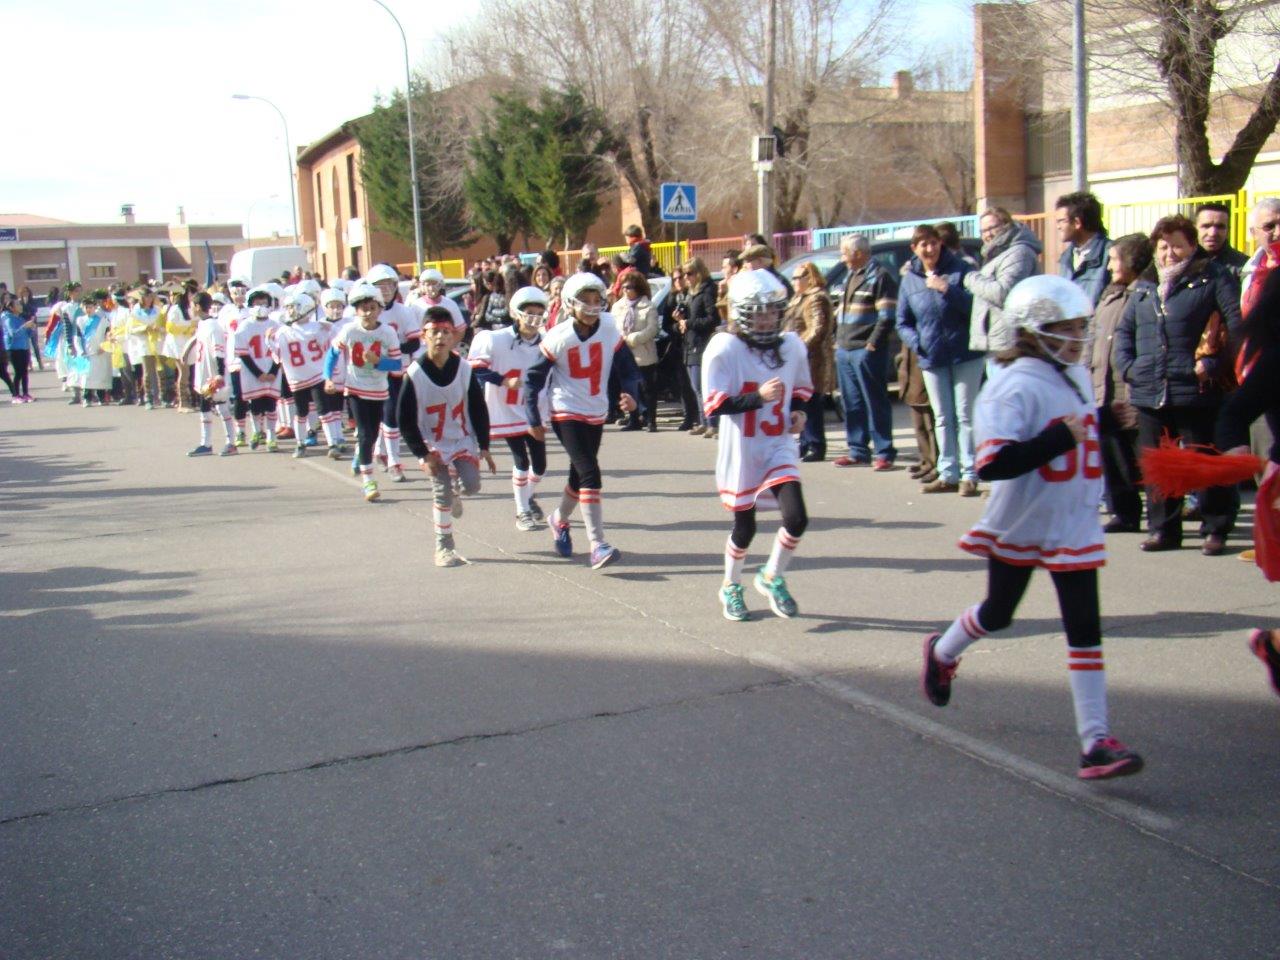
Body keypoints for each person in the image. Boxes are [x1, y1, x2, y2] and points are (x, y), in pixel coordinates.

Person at [921, 275, 1144, 781]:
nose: (1078, 337)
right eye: (1067, 328)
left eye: (1081, 327)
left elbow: (1079, 423)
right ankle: (941, 650)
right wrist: (1057, 438)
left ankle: (1095, 741)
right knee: (999, 613)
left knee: (1085, 627)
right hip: (1025, 516)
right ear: (1035, 331)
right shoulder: (1012, 384)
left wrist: (1106, 420)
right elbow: (993, 464)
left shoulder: (1073, 374)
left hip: (1073, 519)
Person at [1114, 214, 1243, 555]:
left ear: (1191, 247)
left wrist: (1213, 364)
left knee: (1205, 461)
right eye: (1163, 246)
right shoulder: (1144, 285)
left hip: (1197, 388)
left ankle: (1216, 528)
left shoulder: (1212, 278)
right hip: (1150, 389)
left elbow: (1237, 327)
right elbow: (1125, 332)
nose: (1169, 253)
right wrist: (1129, 367)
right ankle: (1164, 530)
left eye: (1177, 245)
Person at [702, 268, 814, 621]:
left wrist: (798, 412)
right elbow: (716, 405)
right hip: (744, 449)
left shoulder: (791, 345)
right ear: (741, 313)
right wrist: (757, 397)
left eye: (771, 312)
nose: (766, 320)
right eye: (759, 312)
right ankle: (730, 585)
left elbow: (801, 391)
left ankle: (771, 575)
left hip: (778, 443)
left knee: (796, 517)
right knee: (745, 527)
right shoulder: (725, 347)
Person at [523, 271, 644, 570]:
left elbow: (628, 368)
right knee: (591, 473)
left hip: (596, 409)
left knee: (579, 476)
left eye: (596, 300)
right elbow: (533, 379)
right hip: (566, 410)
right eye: (585, 301)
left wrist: (631, 395)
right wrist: (532, 416)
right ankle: (597, 543)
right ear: (569, 303)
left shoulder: (609, 328)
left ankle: (559, 519)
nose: (592, 307)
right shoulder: (558, 335)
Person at [400, 308, 496, 567]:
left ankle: (458, 493)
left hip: (461, 438)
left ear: (454, 336)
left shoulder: (464, 370)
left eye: (446, 332)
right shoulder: (415, 374)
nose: (441, 337)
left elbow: (478, 407)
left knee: (473, 485)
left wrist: (484, 446)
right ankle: (444, 547)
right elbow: (405, 419)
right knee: (440, 493)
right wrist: (422, 453)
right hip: (433, 441)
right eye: (435, 332)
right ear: (424, 336)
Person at [896, 224, 983, 495]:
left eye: (934, 243)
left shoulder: (961, 270)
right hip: (932, 357)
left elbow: (976, 308)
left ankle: (970, 474)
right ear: (915, 249)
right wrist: (917, 343)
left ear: (941, 245)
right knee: (943, 417)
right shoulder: (910, 279)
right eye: (924, 245)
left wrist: (948, 289)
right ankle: (948, 473)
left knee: (965, 415)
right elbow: (902, 321)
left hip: (965, 353)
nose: (930, 249)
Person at [470, 286, 552, 531]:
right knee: (522, 461)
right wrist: (504, 380)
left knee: (540, 466)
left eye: (539, 313)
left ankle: (527, 495)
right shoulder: (495, 338)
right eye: (529, 312)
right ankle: (522, 511)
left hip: (533, 410)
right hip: (506, 408)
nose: (534, 318)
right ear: (516, 313)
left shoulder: (547, 342)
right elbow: (476, 369)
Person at [1089, 234, 1152, 534]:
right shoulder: (1110, 294)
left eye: (1115, 259)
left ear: (1133, 261)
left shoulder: (1144, 294)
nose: (1111, 265)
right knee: (1114, 457)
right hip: (1103, 386)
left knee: (1141, 457)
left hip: (1130, 388)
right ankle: (1124, 512)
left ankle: (1160, 515)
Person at [323, 280, 403, 503]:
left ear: (379, 308)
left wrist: (379, 362)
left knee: (373, 433)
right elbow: (332, 354)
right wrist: (329, 378)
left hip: (379, 390)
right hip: (355, 389)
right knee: (366, 434)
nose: (367, 313)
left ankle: (361, 455)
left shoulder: (388, 333)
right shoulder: (349, 330)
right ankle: (369, 481)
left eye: (372, 308)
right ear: (356, 310)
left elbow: (397, 366)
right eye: (363, 308)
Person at [832, 234, 898, 468]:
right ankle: (858, 449)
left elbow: (887, 316)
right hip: (845, 347)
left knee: (875, 400)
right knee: (852, 402)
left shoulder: (879, 276)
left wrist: (872, 344)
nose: (843, 258)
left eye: (844, 252)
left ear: (858, 253)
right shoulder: (850, 275)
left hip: (865, 349)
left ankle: (884, 451)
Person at [965, 207, 1042, 364]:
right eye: (983, 231)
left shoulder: (1018, 253)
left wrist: (971, 278)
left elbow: (1003, 294)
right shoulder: (997, 253)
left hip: (1012, 343)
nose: (987, 234)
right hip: (999, 342)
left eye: (992, 228)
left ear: (1006, 224)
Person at [365, 262, 419, 483]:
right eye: (380, 286)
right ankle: (379, 451)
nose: (385, 290)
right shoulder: (364, 314)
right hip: (371, 371)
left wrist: (394, 353)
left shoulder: (403, 311)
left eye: (389, 285)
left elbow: (414, 342)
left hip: (395, 369)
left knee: (392, 416)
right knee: (378, 417)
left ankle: (394, 460)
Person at [785, 260, 834, 461]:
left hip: (811, 359)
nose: (795, 281)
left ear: (810, 278)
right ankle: (804, 443)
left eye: (799, 277)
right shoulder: (798, 298)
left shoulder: (816, 298)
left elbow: (817, 329)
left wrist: (799, 348)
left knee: (812, 402)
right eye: (793, 277)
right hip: (797, 358)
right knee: (802, 402)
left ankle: (816, 444)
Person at [182, 292, 238, 457]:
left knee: (222, 407)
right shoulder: (202, 324)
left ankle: (231, 442)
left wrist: (220, 374)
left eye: (192, 305)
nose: (190, 308)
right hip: (203, 373)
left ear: (198, 306)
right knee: (204, 407)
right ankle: (206, 443)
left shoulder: (213, 326)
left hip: (213, 374)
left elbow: (218, 351)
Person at [275, 292, 328, 459]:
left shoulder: (319, 327)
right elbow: (277, 354)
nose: (290, 311)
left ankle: (333, 441)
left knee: (323, 410)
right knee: (300, 411)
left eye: (293, 307)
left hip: (316, 374)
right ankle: (300, 442)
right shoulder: (283, 331)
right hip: (297, 377)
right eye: (288, 307)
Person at [234, 286, 283, 451]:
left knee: (271, 404)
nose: (261, 306)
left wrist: (273, 372)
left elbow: (281, 350)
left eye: (264, 302)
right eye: (257, 303)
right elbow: (243, 353)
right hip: (252, 372)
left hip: (272, 369)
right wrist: (259, 373)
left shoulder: (275, 325)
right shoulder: (245, 326)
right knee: (256, 405)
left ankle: (271, 436)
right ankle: (256, 431)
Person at [613, 272, 660, 431]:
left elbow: (653, 329)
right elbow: (613, 327)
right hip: (624, 354)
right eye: (624, 287)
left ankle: (650, 420)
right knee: (629, 389)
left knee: (647, 389)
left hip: (644, 353)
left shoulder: (648, 306)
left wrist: (633, 338)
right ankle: (634, 419)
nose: (626, 290)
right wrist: (621, 338)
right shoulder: (618, 306)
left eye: (630, 287)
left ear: (638, 288)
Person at [679, 258, 720, 437]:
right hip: (690, 342)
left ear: (699, 273)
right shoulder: (691, 293)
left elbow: (713, 319)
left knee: (703, 386)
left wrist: (689, 322)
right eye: (684, 274)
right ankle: (703, 421)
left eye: (689, 274)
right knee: (695, 387)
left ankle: (713, 423)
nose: (686, 278)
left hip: (702, 343)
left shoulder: (707, 290)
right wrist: (681, 320)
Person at [1055, 191, 1113, 306]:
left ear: (1077, 222)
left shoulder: (1110, 254)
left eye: (1061, 221)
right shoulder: (1066, 259)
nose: (1058, 227)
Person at [315, 287, 350, 456]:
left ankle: (339, 437)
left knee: (337, 407)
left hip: (343, 370)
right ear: (324, 307)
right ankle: (332, 441)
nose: (336, 310)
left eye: (339, 306)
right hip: (324, 372)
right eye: (332, 306)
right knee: (325, 407)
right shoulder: (319, 326)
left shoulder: (349, 324)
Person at [75, 289, 114, 405]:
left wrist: (105, 347)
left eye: (90, 307)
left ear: (94, 307)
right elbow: (77, 337)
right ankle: (87, 398)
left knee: (100, 375)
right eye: (86, 307)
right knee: (87, 376)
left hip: (100, 351)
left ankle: (102, 397)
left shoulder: (102, 320)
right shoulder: (80, 321)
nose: (88, 310)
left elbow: (108, 334)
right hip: (87, 352)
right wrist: (80, 350)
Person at [1196, 202, 1249, 283]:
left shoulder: (1244, 266)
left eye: (1220, 227)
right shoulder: (1181, 262)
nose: (1212, 233)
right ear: (1195, 229)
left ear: (1228, 230)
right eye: (1206, 226)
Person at [162, 290, 198, 411]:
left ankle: (185, 400)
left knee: (187, 373)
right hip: (176, 345)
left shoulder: (188, 308)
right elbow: (171, 327)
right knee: (183, 372)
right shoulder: (175, 309)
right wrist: (190, 324)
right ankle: (183, 402)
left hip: (186, 344)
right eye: (190, 294)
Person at [1, 294, 34, 401]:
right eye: (17, 304)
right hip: (14, 349)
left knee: (24, 372)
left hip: (24, 347)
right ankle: (15, 395)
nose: (20, 306)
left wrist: (31, 328)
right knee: (18, 372)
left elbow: (26, 334)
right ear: (11, 308)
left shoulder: (20, 318)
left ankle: (25, 393)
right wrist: (25, 326)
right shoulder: (8, 319)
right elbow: (13, 334)